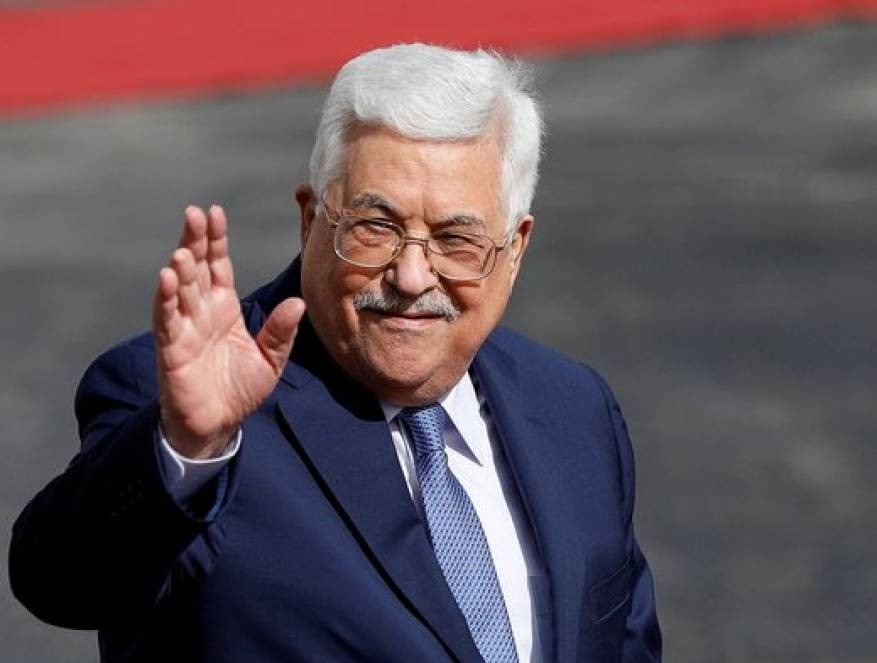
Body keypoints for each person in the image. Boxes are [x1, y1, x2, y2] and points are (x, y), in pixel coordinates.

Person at [10, 44, 661, 662]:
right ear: (310, 219)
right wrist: (186, 445)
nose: (411, 276)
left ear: (514, 248)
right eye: (375, 228)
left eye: (455, 240)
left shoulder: (573, 409)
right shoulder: (191, 406)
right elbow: (59, 582)